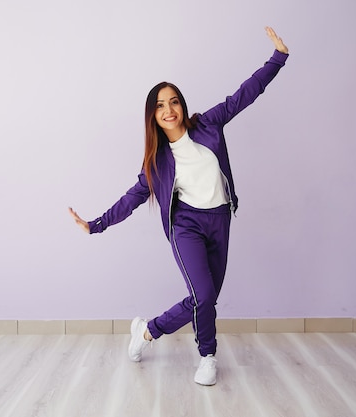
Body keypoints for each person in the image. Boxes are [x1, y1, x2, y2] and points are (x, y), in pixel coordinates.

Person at [69, 26, 289, 386]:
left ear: (181, 105)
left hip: (220, 219)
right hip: (186, 225)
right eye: (160, 105)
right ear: (152, 116)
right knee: (204, 296)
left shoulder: (208, 124)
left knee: (205, 298)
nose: (168, 109)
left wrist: (277, 58)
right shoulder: (157, 162)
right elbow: (132, 199)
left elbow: (244, 95)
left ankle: (145, 332)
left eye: (173, 101)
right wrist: (95, 224)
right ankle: (207, 357)